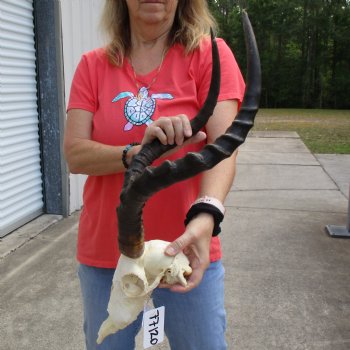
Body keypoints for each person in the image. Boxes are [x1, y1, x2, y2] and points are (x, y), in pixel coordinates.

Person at [64, 0, 245, 349]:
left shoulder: (210, 55)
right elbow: (74, 154)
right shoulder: (94, 65)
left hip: (187, 248)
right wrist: (138, 153)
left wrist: (207, 214)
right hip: (110, 253)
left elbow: (225, 148)